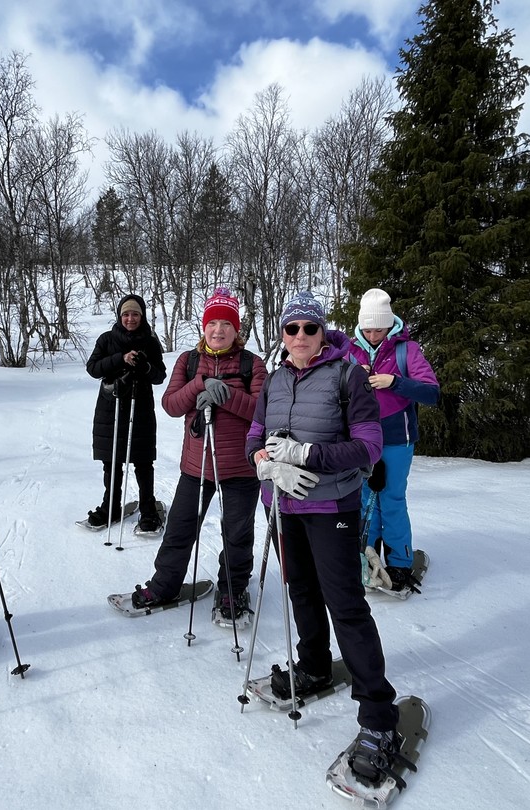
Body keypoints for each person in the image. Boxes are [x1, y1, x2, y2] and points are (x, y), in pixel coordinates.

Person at [246, 291, 401, 784]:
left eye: (308, 329)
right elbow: (254, 434)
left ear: (322, 330)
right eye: (290, 329)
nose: (298, 338)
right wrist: (265, 463)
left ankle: (378, 717)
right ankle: (313, 665)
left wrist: (306, 456)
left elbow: (369, 447)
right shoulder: (273, 380)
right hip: (284, 505)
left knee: (346, 605)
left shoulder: (347, 375)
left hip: (332, 505)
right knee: (301, 591)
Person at [131, 287, 267, 621]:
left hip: (241, 469)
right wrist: (200, 385)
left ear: (237, 330)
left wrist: (226, 397)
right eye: (212, 323)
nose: (218, 330)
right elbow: (171, 405)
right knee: (179, 529)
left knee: (237, 535)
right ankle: (164, 585)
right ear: (203, 327)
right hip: (197, 466)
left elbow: (265, 413)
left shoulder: (252, 364)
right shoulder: (189, 361)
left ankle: (233, 592)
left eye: (226, 324)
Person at [348, 288, 439, 595]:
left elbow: (431, 393)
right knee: (363, 501)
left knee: (392, 500)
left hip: (397, 439)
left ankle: (399, 563)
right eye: (368, 329)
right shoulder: (350, 351)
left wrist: (395, 382)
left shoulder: (406, 350)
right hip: (360, 438)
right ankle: (367, 558)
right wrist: (351, 377)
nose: (373, 335)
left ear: (390, 325)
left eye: (379, 329)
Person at [85, 294, 167, 533]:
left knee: (142, 462)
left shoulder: (150, 342)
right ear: (120, 316)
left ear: (141, 316)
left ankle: (148, 509)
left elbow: (159, 376)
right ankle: (110, 505)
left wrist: (145, 366)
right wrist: (119, 358)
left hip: (139, 409)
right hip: (110, 408)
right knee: (111, 462)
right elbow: (92, 368)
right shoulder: (107, 339)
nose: (130, 319)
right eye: (126, 314)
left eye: (135, 314)